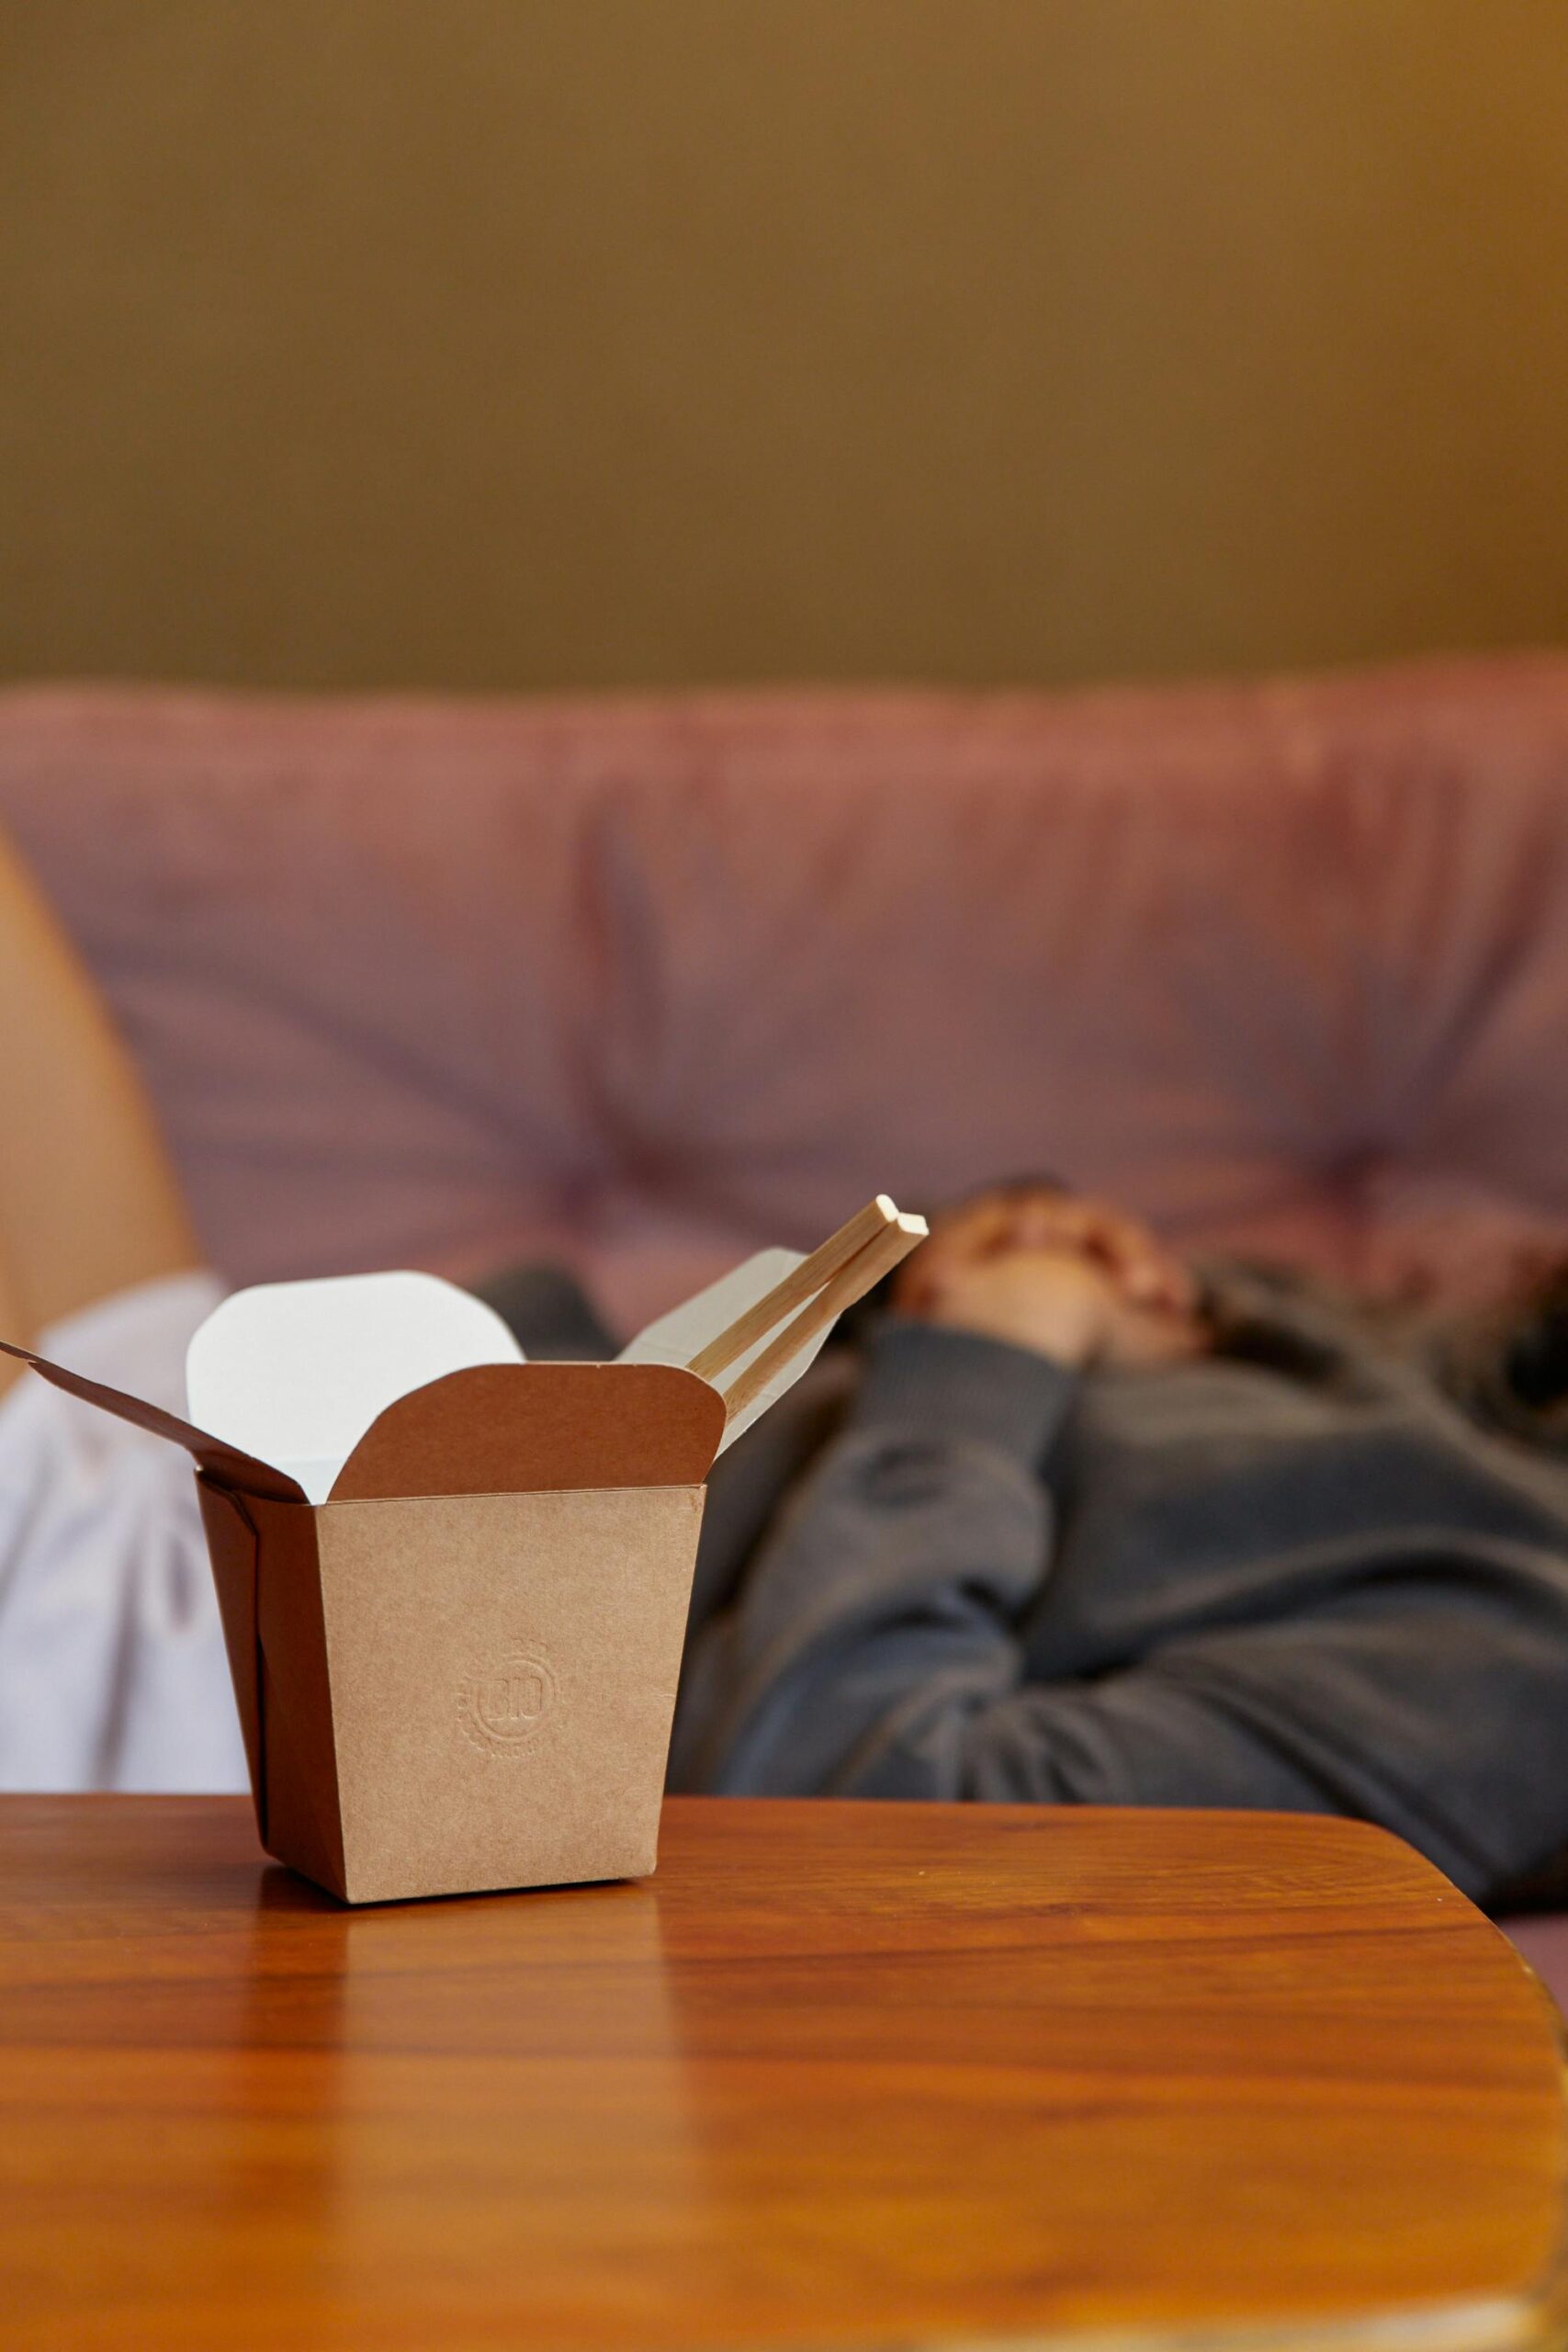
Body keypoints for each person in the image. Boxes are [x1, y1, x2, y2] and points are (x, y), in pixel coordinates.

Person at [647, 1182, 1568, 1905]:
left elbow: (845, 1802)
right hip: (571, 1397)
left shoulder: (1524, 1664)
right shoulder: (1466, 1368)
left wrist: (985, 1353)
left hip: (545, 1654)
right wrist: (1003, 1245)